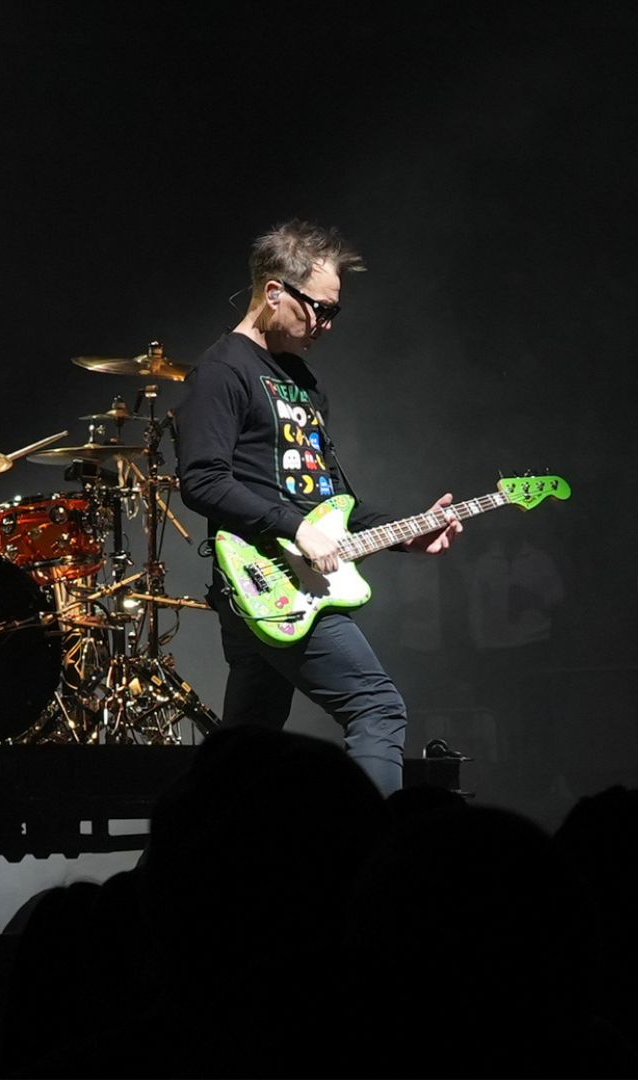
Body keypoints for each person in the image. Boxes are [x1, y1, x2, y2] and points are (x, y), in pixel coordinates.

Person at [176, 220, 461, 795]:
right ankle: (367, 856)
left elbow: (331, 500)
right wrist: (295, 529)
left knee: (245, 749)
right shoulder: (222, 371)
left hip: (289, 581)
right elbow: (201, 481)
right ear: (275, 291)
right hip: (265, 577)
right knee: (378, 708)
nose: (327, 326)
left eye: (335, 314)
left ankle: (188, 868)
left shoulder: (302, 380)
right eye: (319, 310)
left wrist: (405, 532)